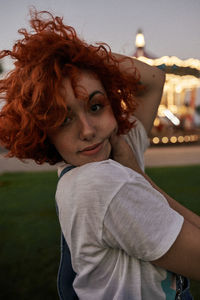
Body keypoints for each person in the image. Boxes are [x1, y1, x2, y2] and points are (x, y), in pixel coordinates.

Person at [0, 9, 199, 300]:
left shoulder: (101, 157)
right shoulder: (103, 182)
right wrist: (139, 176)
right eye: (62, 119)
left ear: (111, 103)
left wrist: (72, 56)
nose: (88, 130)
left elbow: (154, 78)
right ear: (44, 131)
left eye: (95, 105)